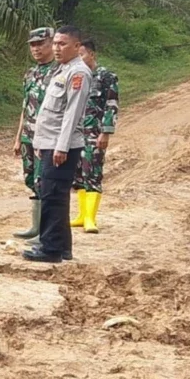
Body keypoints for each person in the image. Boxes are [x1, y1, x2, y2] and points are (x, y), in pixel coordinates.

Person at [24, 26, 92, 264]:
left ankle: (50, 248)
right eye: (56, 44)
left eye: (63, 44)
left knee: (52, 196)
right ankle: (62, 247)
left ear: (76, 46)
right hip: (50, 143)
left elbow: (72, 115)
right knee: (56, 196)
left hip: (60, 146)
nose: (57, 48)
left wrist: (61, 147)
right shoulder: (63, 70)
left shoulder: (78, 74)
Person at [12, 27, 58, 239]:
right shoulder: (30, 73)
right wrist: (18, 138)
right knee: (31, 179)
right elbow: (25, 107)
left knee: (45, 181)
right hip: (28, 136)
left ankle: (46, 232)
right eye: (33, 45)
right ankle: (36, 227)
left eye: (41, 43)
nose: (37, 49)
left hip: (47, 137)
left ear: (52, 43)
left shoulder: (59, 71)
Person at [70, 38, 118, 233]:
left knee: (93, 173)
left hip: (94, 133)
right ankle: (82, 215)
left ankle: (91, 218)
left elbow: (111, 105)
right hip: (75, 134)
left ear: (91, 54)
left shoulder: (106, 76)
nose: (80, 59)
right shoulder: (76, 77)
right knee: (77, 175)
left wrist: (105, 132)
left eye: (82, 55)